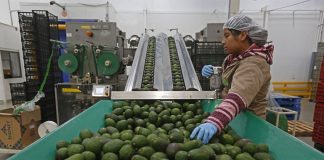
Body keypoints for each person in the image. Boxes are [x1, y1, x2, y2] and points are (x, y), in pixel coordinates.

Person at [190, 15, 274, 144]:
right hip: (234, 118)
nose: (222, 41)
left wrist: (214, 121)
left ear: (242, 35)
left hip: (250, 126)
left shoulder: (254, 63)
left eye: (227, 35)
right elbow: (232, 76)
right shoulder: (235, 58)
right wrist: (215, 71)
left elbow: (237, 97)